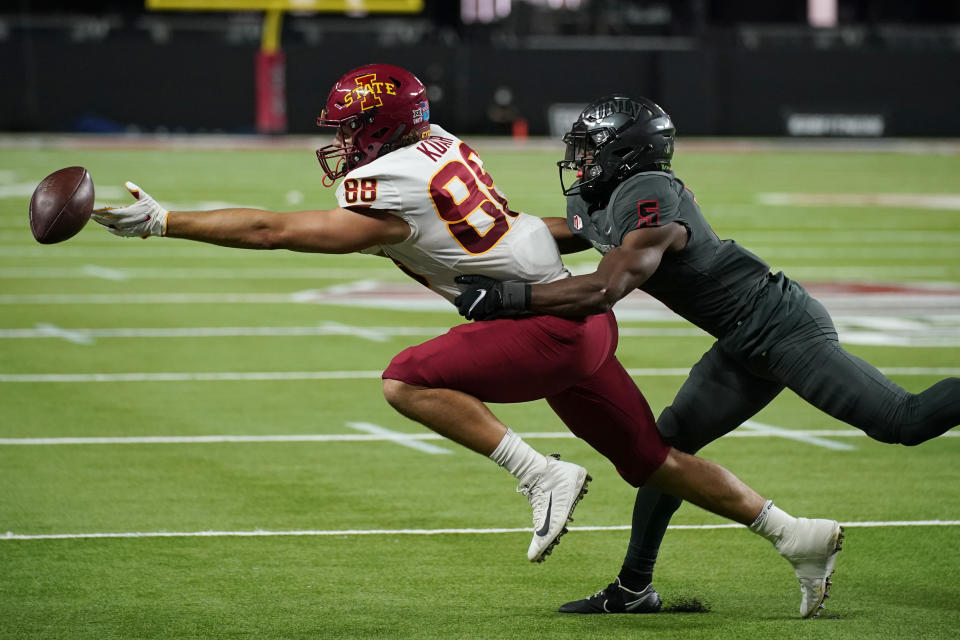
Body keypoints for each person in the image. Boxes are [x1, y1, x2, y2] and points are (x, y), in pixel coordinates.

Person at [92, 66, 842, 617]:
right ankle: (794, 534)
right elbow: (508, 228)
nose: (342, 143)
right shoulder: (438, 145)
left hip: (545, 324)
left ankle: (538, 474)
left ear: (382, 128)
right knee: (650, 460)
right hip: (577, 323)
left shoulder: (386, 189)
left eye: (351, 129)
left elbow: (273, 230)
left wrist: (166, 221)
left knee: (406, 380)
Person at [454, 94, 960, 615]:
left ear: (623, 152)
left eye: (588, 151)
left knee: (903, 420)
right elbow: (564, 233)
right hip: (741, 342)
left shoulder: (651, 197)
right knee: (663, 457)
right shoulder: (606, 197)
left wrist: (504, 299)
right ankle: (633, 591)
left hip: (781, 326)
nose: (578, 163)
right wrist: (479, 233)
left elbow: (604, 289)